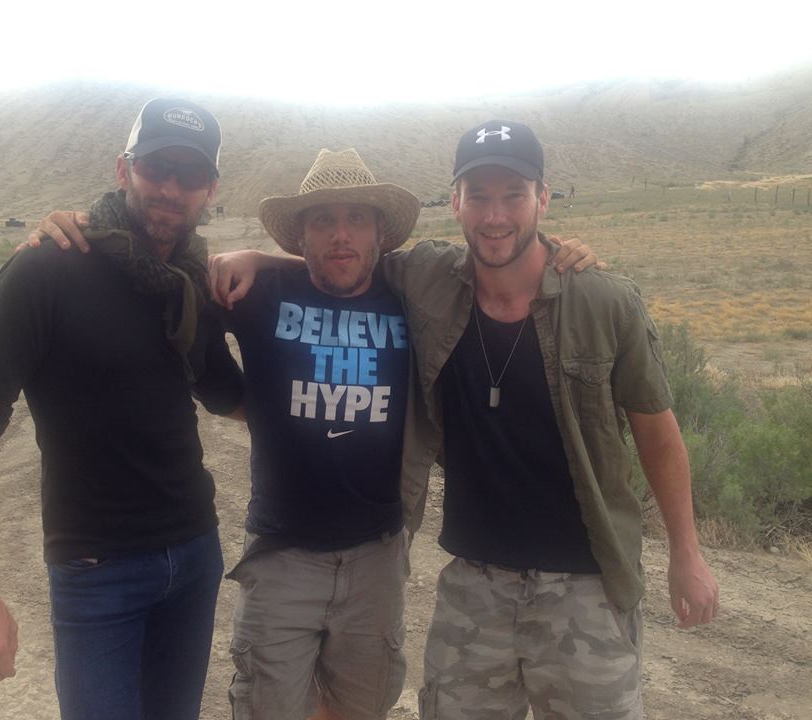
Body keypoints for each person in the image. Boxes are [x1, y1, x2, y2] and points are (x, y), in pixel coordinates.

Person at [31, 146, 598, 720]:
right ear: (300, 236)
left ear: (381, 232)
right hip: (282, 556)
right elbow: (163, 288)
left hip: (378, 556)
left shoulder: (412, 299)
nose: (340, 234)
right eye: (323, 220)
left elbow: (494, 268)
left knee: (361, 708)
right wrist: (86, 231)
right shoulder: (256, 293)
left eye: (356, 218)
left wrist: (558, 252)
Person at [212, 120, 719, 720]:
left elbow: (658, 434)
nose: (494, 215)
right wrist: (255, 258)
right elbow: (344, 260)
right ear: (455, 202)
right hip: (474, 583)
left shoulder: (603, 300)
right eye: (478, 196)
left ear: (543, 199)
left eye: (513, 195)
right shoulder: (430, 281)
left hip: (585, 584)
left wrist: (687, 553)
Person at [0, 98, 245, 720]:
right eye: (156, 167)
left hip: (194, 554)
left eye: (190, 174)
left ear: (210, 189)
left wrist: (265, 266)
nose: (171, 188)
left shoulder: (189, 283)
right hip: (97, 572)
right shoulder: (45, 270)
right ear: (123, 168)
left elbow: (233, 398)